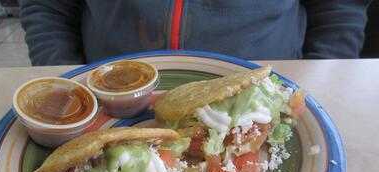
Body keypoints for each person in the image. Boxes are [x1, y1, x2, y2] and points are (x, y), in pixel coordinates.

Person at [20, 0, 371, 66]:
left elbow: (339, 9)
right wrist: (66, 80)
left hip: (263, 106)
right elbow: (47, 7)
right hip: (111, 107)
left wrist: (313, 87)